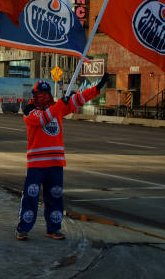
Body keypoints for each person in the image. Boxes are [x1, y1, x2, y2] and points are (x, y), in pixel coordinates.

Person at [15, 73, 108, 240]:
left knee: (55, 198)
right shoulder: (30, 111)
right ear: (34, 96)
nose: (43, 98)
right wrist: (60, 105)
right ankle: (23, 228)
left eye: (45, 94)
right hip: (36, 164)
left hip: (56, 163)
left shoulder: (56, 108)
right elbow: (43, 119)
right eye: (39, 95)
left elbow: (77, 100)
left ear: (50, 95)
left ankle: (53, 228)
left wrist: (95, 89)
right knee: (31, 197)